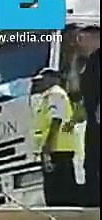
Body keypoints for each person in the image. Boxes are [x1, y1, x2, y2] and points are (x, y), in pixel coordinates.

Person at [30, 68, 78, 207]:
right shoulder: (48, 96)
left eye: (44, 79)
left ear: (53, 78)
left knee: (59, 191)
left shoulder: (55, 94)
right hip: (57, 148)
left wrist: (47, 147)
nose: (40, 83)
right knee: (58, 189)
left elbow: (56, 121)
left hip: (57, 148)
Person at [78, 24, 100, 207]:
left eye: (83, 39)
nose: (80, 43)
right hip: (92, 122)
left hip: (97, 120)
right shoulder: (88, 63)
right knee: (91, 163)